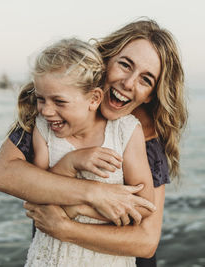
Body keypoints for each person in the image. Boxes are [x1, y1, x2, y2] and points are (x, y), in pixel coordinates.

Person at [0, 18, 187, 267]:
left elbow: (146, 240)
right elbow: (3, 175)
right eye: (125, 65)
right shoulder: (52, 114)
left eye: (146, 80)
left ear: (151, 95)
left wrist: (66, 226)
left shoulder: (141, 135)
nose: (128, 83)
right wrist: (95, 193)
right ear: (106, 60)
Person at [22, 37, 154, 266]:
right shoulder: (44, 129)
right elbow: (36, 197)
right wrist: (70, 163)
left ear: (94, 99)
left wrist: (77, 209)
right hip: (51, 257)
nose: (46, 111)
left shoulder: (124, 132)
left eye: (59, 102)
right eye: (41, 99)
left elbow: (143, 206)